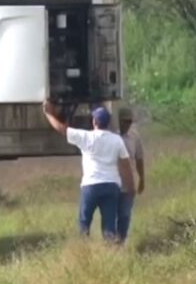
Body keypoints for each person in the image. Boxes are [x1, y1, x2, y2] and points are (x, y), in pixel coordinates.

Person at [42, 100, 135, 241]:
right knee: (109, 227)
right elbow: (126, 166)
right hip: (111, 186)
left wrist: (49, 114)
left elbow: (62, 129)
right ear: (108, 123)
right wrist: (131, 188)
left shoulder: (86, 137)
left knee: (84, 223)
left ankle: (83, 252)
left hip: (90, 186)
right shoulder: (117, 140)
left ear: (94, 122)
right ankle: (109, 255)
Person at [117, 107, 145, 243]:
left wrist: (142, 179)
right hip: (114, 182)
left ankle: (122, 241)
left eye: (129, 122)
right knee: (112, 215)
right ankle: (111, 243)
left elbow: (139, 158)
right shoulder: (112, 136)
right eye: (124, 121)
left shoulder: (134, 137)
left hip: (129, 183)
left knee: (125, 215)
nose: (127, 124)